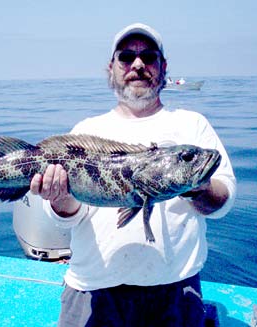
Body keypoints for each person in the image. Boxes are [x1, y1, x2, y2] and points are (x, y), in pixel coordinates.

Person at [30, 23, 236, 327]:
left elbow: (223, 200)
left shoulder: (192, 125)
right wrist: (59, 199)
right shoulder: (86, 130)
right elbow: (65, 216)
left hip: (176, 292)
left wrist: (196, 186)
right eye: (126, 57)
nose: (138, 65)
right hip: (92, 290)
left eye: (149, 57)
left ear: (163, 67)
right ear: (111, 69)